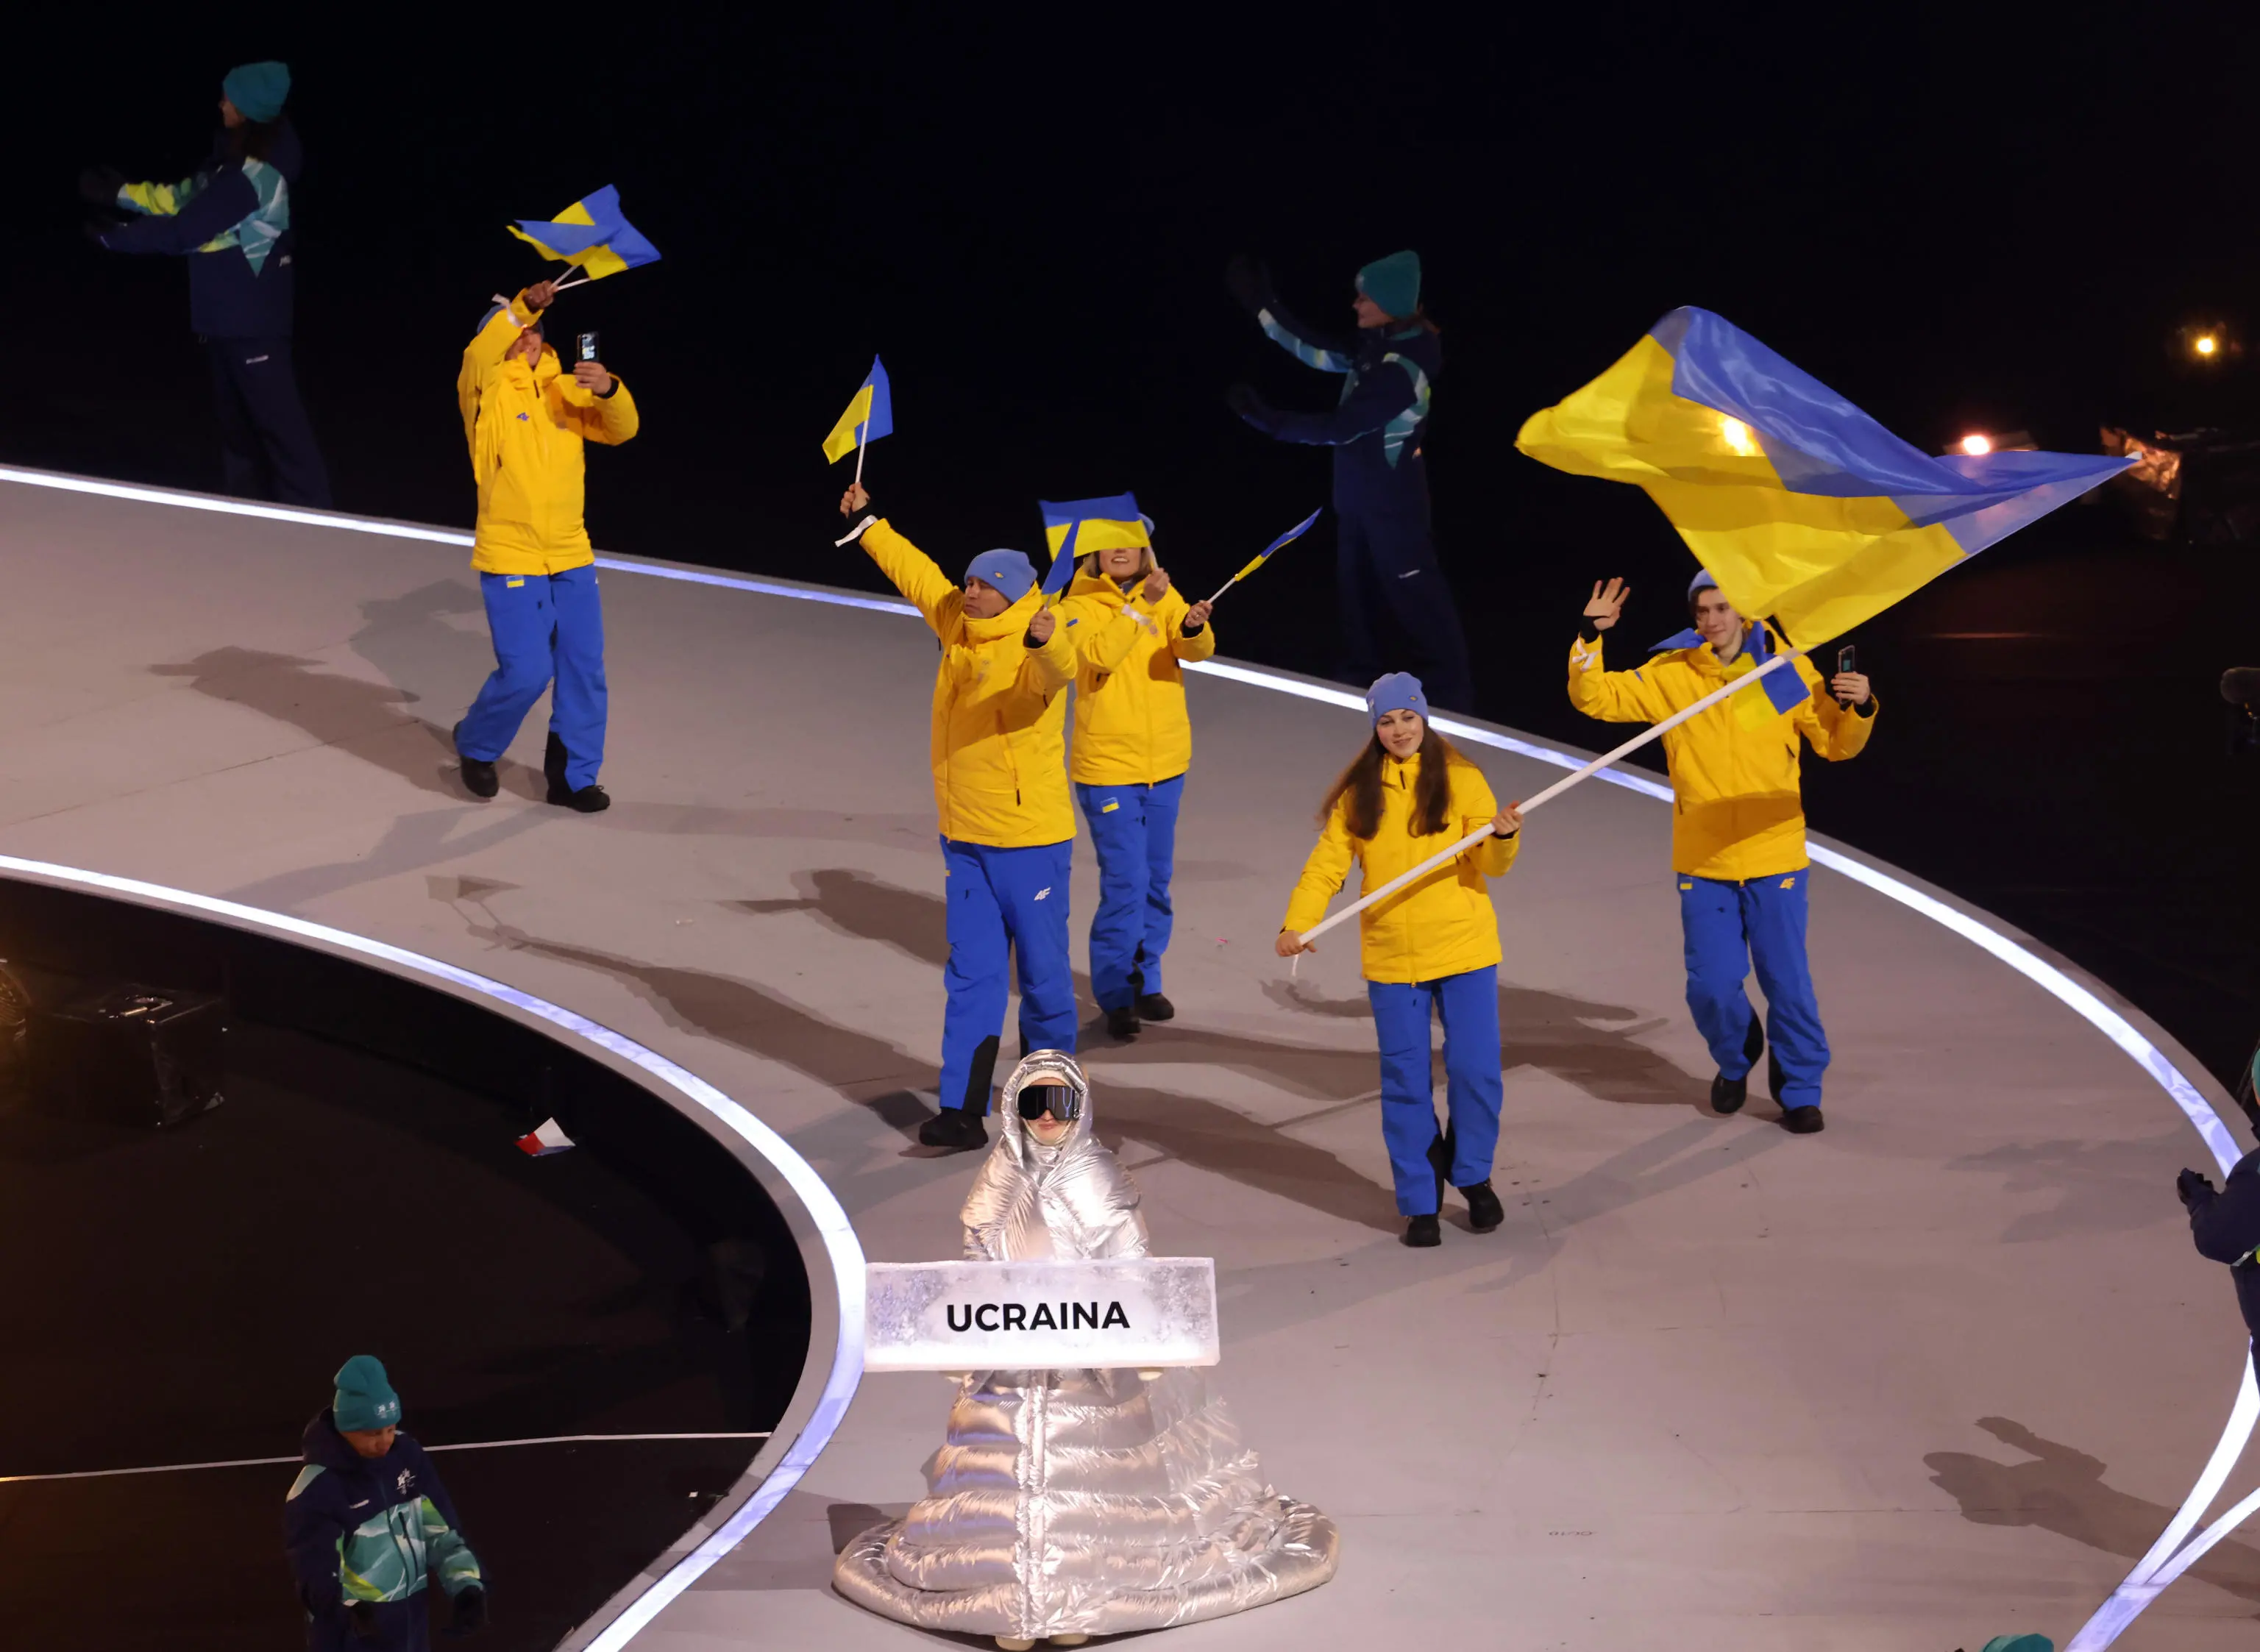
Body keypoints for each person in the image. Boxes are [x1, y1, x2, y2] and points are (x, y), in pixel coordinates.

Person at [834, 1050, 1338, 1648]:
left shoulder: (1099, 1173)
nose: (1047, 1116)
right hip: (1011, 1351)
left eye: (1061, 1103)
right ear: (1014, 1109)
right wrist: (964, 1330)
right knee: (1008, 1469)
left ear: (1081, 1108)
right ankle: (1012, 1602)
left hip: (1091, 1350)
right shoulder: (999, 1174)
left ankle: (1080, 1600)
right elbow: (977, 1260)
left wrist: (1135, 1336)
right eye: (1033, 1103)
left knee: (1095, 1477)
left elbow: (1131, 1262)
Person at [1570, 572, 1875, 1131]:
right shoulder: (1673, 674)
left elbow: (1833, 744)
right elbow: (1595, 698)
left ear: (1745, 614)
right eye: (1702, 611)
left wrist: (1859, 707)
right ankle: (1736, 1057)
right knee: (1710, 985)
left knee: (1787, 982)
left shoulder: (1783, 672)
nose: (1711, 620)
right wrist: (1592, 638)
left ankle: (1801, 1087)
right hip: (1704, 858)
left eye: (1722, 608)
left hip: (1774, 853)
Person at [837, 482, 1079, 1150]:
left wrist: (1045, 642)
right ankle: (963, 1111)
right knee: (971, 978)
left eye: (984, 586)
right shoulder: (958, 623)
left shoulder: (1033, 643)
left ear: (1014, 594)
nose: (969, 591)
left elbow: (1056, 675)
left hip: (1029, 844)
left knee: (1044, 982)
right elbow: (916, 572)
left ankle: (1050, 1116)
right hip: (966, 842)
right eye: (969, 581)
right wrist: (869, 521)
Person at [1276, 673, 1521, 1247]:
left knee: (1476, 1071)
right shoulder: (1359, 793)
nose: (1399, 731)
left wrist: (1503, 836)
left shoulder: (1463, 779)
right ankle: (1419, 1200)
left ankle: (1473, 1174)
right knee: (1406, 1082)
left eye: (1407, 718)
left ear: (1424, 716)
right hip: (1393, 957)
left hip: (1464, 948)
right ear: (1375, 728)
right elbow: (1326, 866)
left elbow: (1491, 864)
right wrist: (1297, 922)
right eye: (1386, 722)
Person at [1224, 249, 1471, 711]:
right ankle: (1362, 674)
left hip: (1394, 502)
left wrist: (1268, 420)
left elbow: (1344, 426)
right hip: (1357, 495)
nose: (1355, 305)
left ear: (1392, 303)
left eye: (1365, 298)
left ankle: (1450, 692)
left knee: (1415, 593)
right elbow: (1315, 349)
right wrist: (1263, 305)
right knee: (1356, 588)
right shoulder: (1377, 344)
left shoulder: (1405, 364)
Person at [85, 61, 332, 507]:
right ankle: (243, 516)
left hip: (252, 323)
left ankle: (319, 525)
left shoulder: (255, 176)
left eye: (227, 98)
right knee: (237, 436)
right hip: (225, 320)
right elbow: (184, 197)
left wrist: (115, 237)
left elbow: (186, 229)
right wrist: (121, 193)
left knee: (283, 434)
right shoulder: (232, 160)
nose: (220, 104)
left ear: (247, 109)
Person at [450, 280, 638, 812]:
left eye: (534, 331)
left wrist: (608, 390)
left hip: (570, 552)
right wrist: (523, 306)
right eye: (517, 330)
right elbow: (479, 351)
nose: (527, 337)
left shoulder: (566, 386)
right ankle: (477, 743)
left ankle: (573, 778)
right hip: (510, 553)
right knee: (529, 671)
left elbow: (623, 430)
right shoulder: (484, 389)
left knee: (583, 667)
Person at [1056, 508, 1216, 1040]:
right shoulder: (1076, 606)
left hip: (1166, 765)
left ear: (1145, 548)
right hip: (1108, 769)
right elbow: (1098, 659)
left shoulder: (1163, 593)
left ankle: (1147, 981)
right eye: (1110, 542)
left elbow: (1196, 652)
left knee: (1157, 883)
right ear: (1095, 553)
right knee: (1126, 883)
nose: (1120, 549)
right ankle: (1117, 995)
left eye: (1131, 540)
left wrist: (1193, 626)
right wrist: (1140, 609)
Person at [282, 1356, 486, 1650]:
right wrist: (349, 1612)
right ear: (345, 1427)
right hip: (354, 1636)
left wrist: (466, 1585)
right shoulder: (317, 1489)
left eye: (391, 1428)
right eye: (373, 1433)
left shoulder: (408, 1456)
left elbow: (439, 1530)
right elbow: (315, 1570)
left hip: (409, 1627)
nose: (386, 1441)